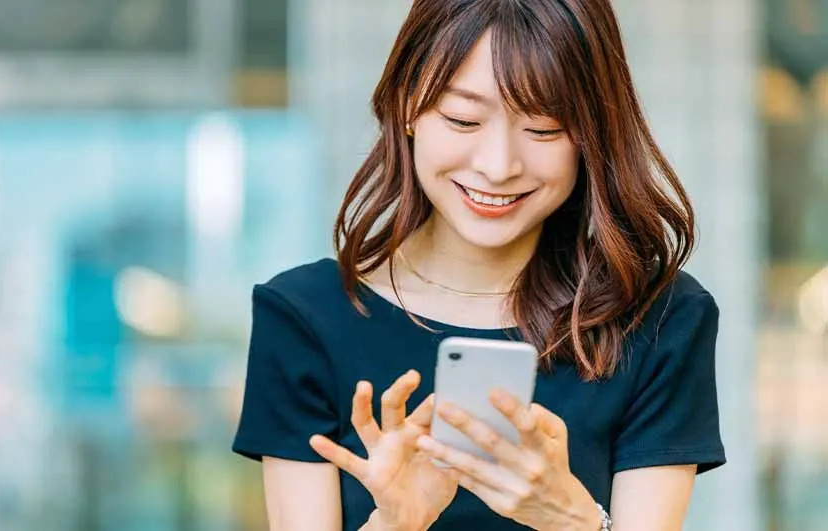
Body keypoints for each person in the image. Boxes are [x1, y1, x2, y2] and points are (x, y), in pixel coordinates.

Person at [231, 0, 726, 529]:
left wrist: (573, 519)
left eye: (544, 129)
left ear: (592, 134)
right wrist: (396, 523)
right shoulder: (303, 318)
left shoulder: (661, 319)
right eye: (463, 119)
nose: (498, 166)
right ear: (407, 106)